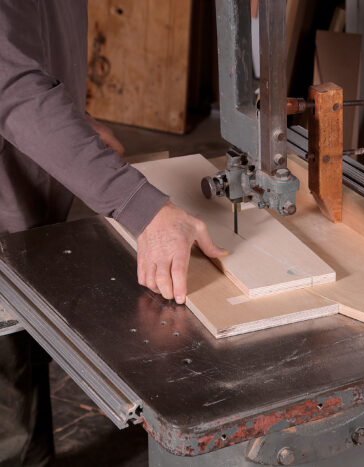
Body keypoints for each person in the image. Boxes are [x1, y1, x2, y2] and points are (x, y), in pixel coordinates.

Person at [0, 2, 226, 464]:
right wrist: (142, 208)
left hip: (21, 202)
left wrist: (69, 125)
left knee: (20, 367)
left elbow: (23, 50)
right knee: (7, 409)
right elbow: (11, 88)